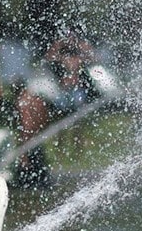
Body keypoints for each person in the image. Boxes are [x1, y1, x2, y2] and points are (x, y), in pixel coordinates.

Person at [14, 33, 114, 188]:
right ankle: (27, 165)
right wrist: (59, 47)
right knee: (28, 120)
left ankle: (29, 165)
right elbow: (48, 59)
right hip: (55, 98)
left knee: (32, 122)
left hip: (70, 99)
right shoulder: (51, 64)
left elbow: (93, 61)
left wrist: (79, 50)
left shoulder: (82, 61)